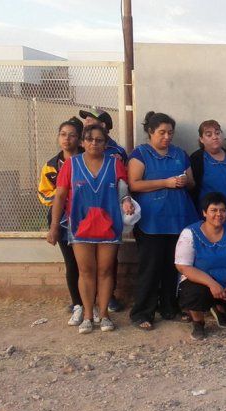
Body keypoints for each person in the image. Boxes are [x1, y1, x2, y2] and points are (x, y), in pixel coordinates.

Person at [46, 124, 134, 334]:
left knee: (105, 271)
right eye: (89, 139)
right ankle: (87, 315)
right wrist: (54, 227)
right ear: (82, 142)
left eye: (99, 139)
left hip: (108, 225)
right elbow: (59, 196)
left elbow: (123, 190)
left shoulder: (115, 164)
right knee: (85, 271)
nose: (94, 143)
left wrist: (127, 201)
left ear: (106, 143)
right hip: (80, 225)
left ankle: (104, 314)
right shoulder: (71, 165)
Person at [128, 111, 198, 330]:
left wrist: (184, 181)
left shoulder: (179, 154)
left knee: (173, 267)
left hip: (178, 218)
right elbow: (134, 184)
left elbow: (192, 183)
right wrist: (165, 183)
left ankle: (169, 307)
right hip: (152, 221)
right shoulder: (141, 154)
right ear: (150, 132)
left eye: (170, 132)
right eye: (162, 132)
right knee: (150, 268)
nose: (167, 137)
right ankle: (142, 312)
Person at [175, 192, 226, 340]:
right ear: (204, 212)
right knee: (194, 295)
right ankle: (198, 322)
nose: (219, 214)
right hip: (200, 283)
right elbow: (183, 267)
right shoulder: (189, 233)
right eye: (214, 210)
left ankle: (219, 308)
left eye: (223, 210)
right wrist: (211, 284)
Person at [79, 108, 128, 313]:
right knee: (83, 266)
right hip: (82, 215)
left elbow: (121, 184)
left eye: (91, 120)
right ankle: (84, 303)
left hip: (107, 214)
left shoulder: (114, 153)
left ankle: (108, 299)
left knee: (106, 264)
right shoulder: (80, 151)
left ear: (104, 128)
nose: (86, 122)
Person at [38, 117, 85, 325]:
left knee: (88, 263)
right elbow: (44, 194)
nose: (67, 139)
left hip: (86, 217)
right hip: (62, 219)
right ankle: (77, 304)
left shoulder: (88, 160)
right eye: (63, 134)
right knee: (71, 263)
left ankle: (94, 300)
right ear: (58, 137)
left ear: (80, 139)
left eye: (72, 135)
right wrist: (62, 199)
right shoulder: (50, 166)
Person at [190, 120, 226, 233]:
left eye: (217, 133)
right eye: (209, 134)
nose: (215, 137)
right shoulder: (197, 159)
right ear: (201, 139)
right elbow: (191, 188)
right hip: (211, 221)